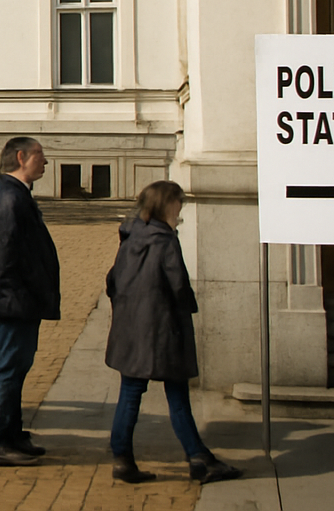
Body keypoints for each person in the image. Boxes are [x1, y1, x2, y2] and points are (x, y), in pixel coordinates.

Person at [107, 180, 242, 485]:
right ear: (168, 204)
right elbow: (178, 286)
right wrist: (187, 309)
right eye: (178, 201)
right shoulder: (165, 240)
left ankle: (122, 458)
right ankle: (198, 457)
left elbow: (112, 281)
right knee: (177, 395)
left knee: (130, 393)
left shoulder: (131, 236)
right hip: (162, 329)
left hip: (130, 327)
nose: (181, 207)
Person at [0, 136, 60, 466]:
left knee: (16, 368)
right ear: (21, 157)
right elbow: (1, 258)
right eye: (40, 154)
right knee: (7, 369)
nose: (45, 161)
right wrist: (21, 294)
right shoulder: (8, 200)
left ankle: (11, 433)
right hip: (13, 300)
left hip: (19, 299)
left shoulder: (15, 197)